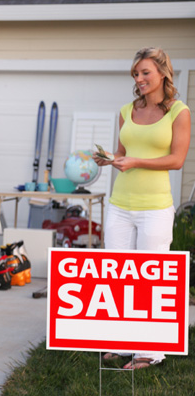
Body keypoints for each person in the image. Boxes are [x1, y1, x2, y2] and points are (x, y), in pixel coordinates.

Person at [94, 47, 191, 370]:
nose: (139, 79)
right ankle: (123, 344)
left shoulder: (179, 111)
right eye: (135, 74)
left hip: (155, 207)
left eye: (145, 72)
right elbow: (124, 152)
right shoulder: (126, 110)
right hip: (120, 205)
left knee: (151, 279)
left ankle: (150, 351)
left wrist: (135, 161)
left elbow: (176, 160)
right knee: (120, 278)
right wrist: (109, 158)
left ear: (162, 72)